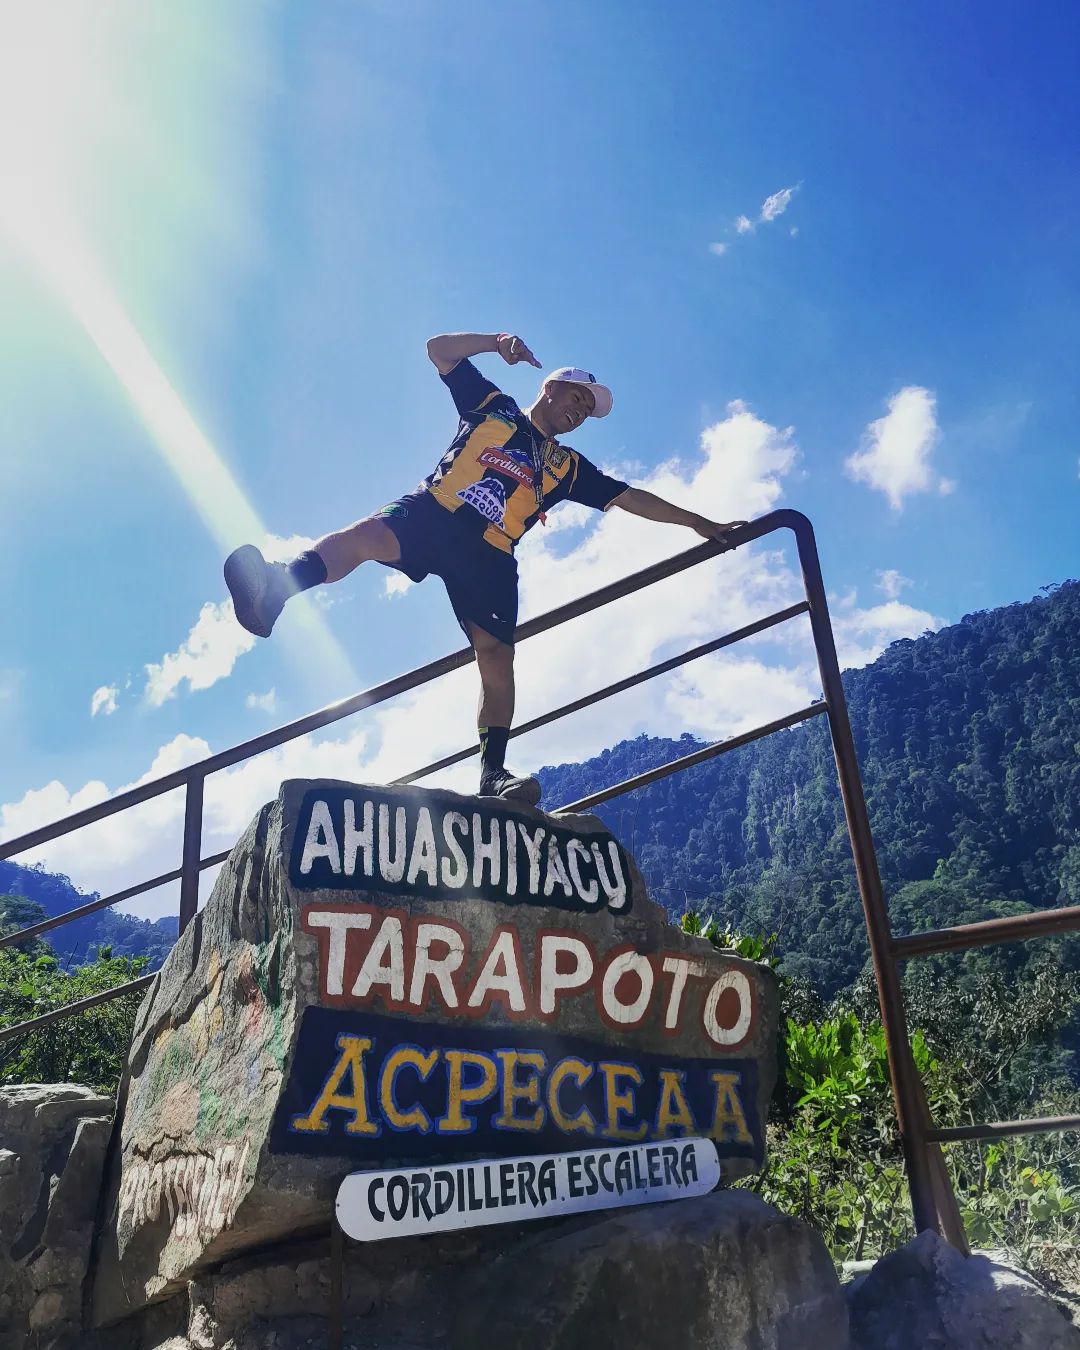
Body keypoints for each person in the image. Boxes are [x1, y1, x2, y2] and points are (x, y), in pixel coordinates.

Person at [224, 331, 746, 805]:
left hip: (492, 552)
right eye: (576, 399)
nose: (579, 413)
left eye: (587, 411)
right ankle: (275, 588)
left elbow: (631, 497)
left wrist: (700, 522)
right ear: (551, 389)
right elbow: (437, 350)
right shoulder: (492, 406)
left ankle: (492, 774)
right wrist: (496, 344)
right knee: (365, 537)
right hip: (436, 510)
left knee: (496, 658)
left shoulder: (566, 467)